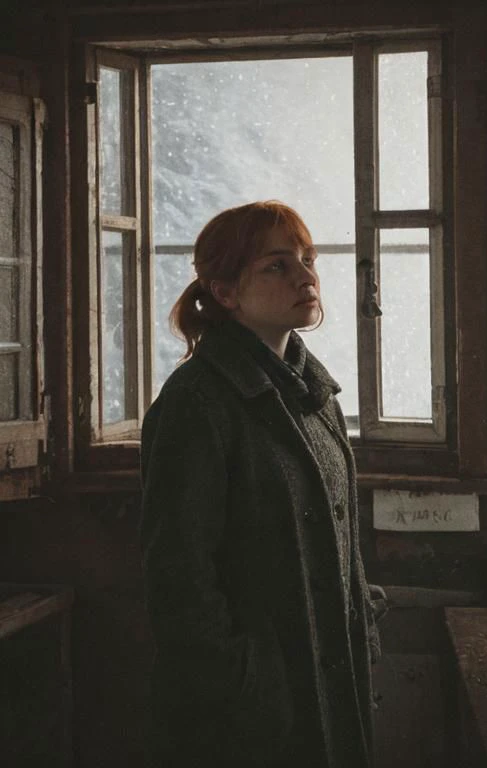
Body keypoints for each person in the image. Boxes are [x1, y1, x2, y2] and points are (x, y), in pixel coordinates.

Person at [140, 200, 386, 768]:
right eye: (277, 266)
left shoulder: (312, 395)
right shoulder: (196, 403)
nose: (306, 276)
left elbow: (339, 542)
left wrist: (361, 626)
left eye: (307, 259)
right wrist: (244, 680)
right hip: (249, 711)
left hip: (329, 678)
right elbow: (178, 576)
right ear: (225, 293)